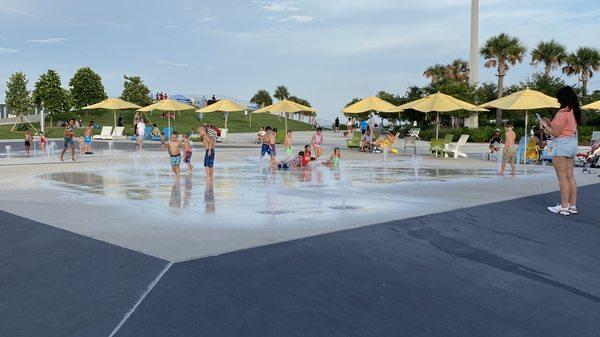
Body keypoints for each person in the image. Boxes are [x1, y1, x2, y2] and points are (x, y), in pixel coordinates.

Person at [541, 86, 580, 216]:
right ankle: (572, 206)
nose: (557, 101)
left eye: (558, 98)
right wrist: (550, 122)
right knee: (570, 176)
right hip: (572, 143)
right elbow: (564, 128)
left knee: (562, 177)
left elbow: (556, 133)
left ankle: (563, 207)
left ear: (562, 98)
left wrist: (545, 125)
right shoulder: (572, 111)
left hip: (561, 145)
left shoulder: (562, 113)